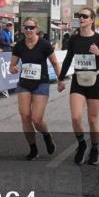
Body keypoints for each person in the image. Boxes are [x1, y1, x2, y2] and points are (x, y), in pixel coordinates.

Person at [59, 8, 99, 166]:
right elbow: (68, 59)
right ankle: (82, 144)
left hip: (95, 81)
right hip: (78, 80)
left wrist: (98, 53)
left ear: (92, 20)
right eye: (79, 16)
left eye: (85, 16)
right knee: (76, 117)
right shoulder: (74, 39)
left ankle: (95, 148)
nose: (81, 18)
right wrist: (61, 78)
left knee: (92, 120)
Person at [10, 17, 65, 160]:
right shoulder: (19, 46)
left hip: (41, 83)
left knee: (36, 119)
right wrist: (13, 69)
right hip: (24, 84)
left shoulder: (44, 45)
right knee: (25, 116)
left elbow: (55, 63)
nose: (28, 30)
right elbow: (12, 66)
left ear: (37, 29)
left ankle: (46, 135)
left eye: (31, 27)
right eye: (26, 27)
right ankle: (33, 149)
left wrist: (60, 80)